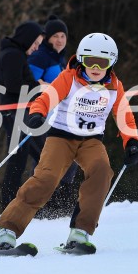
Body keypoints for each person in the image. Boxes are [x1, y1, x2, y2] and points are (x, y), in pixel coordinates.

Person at [0, 32, 138, 252]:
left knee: (102, 171)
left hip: (91, 140)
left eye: (102, 62)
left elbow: (124, 115)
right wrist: (37, 113)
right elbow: (46, 97)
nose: (96, 67)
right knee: (47, 178)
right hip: (61, 137)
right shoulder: (69, 78)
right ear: (81, 60)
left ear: (111, 63)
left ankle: (80, 232)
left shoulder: (115, 86)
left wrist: (132, 142)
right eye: (90, 61)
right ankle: (7, 232)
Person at [28, 16, 78, 217]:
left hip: (59, 116)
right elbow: (29, 79)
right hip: (42, 116)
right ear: (47, 38)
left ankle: (58, 203)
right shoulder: (41, 57)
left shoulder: (59, 59)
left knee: (68, 157)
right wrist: (48, 87)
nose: (59, 40)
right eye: (55, 36)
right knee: (49, 159)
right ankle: (40, 205)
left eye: (63, 36)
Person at [0, 20, 45, 209]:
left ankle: (36, 201)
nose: (36, 48)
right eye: (35, 44)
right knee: (18, 157)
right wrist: (39, 86)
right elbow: (14, 85)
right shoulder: (12, 56)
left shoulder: (17, 55)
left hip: (22, 112)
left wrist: (42, 91)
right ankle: (8, 205)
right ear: (27, 39)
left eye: (39, 45)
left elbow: (28, 83)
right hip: (13, 113)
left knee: (39, 155)